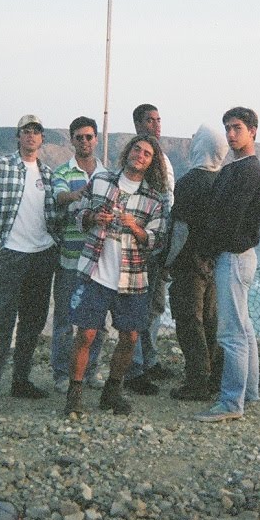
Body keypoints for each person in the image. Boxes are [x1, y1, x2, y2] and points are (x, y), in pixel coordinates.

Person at [64, 135, 167, 416]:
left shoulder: (154, 199)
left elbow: (157, 241)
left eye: (147, 153)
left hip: (132, 277)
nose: (140, 155)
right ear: (128, 151)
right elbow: (77, 213)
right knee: (86, 334)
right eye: (137, 149)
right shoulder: (101, 181)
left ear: (151, 162)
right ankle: (74, 394)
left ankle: (112, 392)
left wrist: (136, 228)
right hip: (95, 272)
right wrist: (92, 218)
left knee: (130, 337)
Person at [0, 114, 60, 418]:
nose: (31, 136)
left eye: (36, 131)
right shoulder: (0, 168)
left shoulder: (48, 175)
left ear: (42, 138)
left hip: (42, 256)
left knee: (33, 322)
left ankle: (20, 380)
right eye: (26, 131)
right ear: (18, 136)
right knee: (2, 324)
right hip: (11, 256)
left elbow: (55, 216)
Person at [195, 107, 260, 422]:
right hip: (238, 256)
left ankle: (230, 403)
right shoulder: (237, 168)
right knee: (243, 328)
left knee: (231, 334)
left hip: (234, 257)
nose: (230, 134)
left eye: (237, 127)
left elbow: (229, 221)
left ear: (253, 131)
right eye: (227, 128)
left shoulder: (247, 171)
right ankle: (249, 392)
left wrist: (208, 251)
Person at [165, 124, 229, 401]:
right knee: (210, 321)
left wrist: (167, 260)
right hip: (213, 263)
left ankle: (197, 382)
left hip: (189, 263)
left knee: (189, 323)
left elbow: (180, 230)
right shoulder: (223, 180)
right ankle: (215, 378)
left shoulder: (190, 182)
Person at [51, 116, 107, 393]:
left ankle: (91, 370)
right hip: (70, 259)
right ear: (72, 140)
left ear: (96, 139)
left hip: (99, 261)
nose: (84, 141)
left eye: (89, 136)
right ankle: (62, 374)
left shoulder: (107, 174)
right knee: (64, 320)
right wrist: (78, 194)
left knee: (97, 321)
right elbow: (59, 197)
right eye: (79, 137)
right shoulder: (62, 172)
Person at [125, 103, 176, 395]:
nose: (156, 125)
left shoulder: (162, 158)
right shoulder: (139, 160)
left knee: (155, 305)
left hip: (160, 244)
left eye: (158, 119)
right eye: (149, 120)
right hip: (142, 245)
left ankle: (150, 359)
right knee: (138, 306)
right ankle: (134, 368)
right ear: (137, 125)